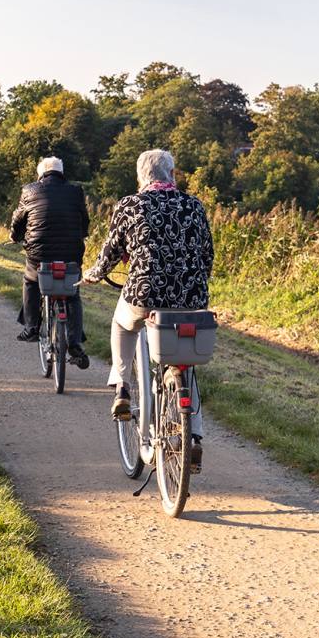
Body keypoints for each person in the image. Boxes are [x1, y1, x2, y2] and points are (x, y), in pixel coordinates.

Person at [84, 149, 213, 436]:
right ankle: (194, 436)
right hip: (190, 298)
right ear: (172, 174)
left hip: (144, 293)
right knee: (185, 362)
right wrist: (196, 286)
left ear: (140, 176)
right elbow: (207, 255)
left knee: (122, 323)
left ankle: (122, 386)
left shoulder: (130, 205)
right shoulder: (194, 205)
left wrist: (93, 276)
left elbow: (110, 253)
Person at [10, 156, 89, 367]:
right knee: (72, 293)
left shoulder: (30, 190)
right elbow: (84, 221)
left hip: (39, 253)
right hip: (71, 253)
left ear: (41, 174)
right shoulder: (76, 191)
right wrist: (82, 235)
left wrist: (14, 236)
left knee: (31, 281)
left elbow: (19, 219)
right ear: (61, 172)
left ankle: (31, 328)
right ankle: (75, 343)